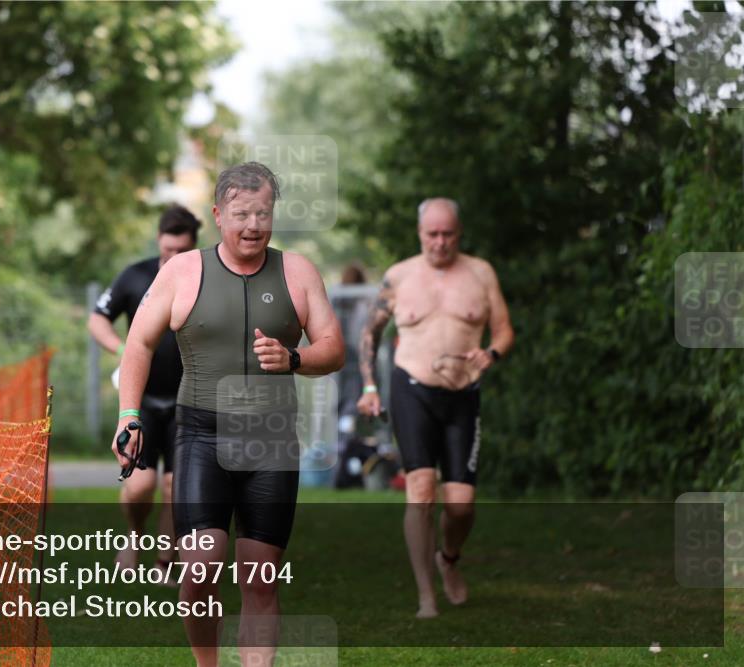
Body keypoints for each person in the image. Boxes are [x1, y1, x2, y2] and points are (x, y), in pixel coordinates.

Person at [112, 162, 344, 667]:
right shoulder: (182, 271)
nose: (254, 225)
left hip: (271, 439)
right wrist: (129, 413)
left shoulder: (298, 271)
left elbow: (334, 348)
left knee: (261, 577)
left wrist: (295, 358)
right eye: (242, 213)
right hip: (202, 436)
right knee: (200, 569)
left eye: (263, 213)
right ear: (218, 215)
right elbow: (138, 343)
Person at [357, 198, 514, 619]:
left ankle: (449, 557)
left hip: (463, 395)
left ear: (459, 234)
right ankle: (426, 595)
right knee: (421, 493)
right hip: (412, 390)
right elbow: (369, 334)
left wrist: (492, 355)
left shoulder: (480, 273)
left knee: (461, 505)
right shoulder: (399, 276)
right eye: (432, 234)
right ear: (420, 233)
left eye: (448, 234)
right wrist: (370, 385)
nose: (440, 242)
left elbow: (503, 330)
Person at [89, 205, 201, 576]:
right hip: (143, 402)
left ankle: (165, 562)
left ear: (194, 246)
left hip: (188, 400)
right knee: (140, 487)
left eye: (182, 251)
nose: (173, 258)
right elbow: (98, 317)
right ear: (159, 242)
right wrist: (122, 350)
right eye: (168, 250)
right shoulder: (135, 277)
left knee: (174, 486)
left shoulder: (205, 281)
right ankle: (134, 535)